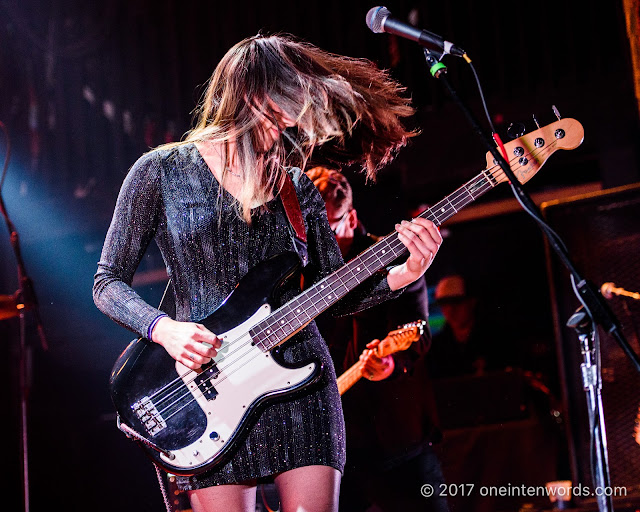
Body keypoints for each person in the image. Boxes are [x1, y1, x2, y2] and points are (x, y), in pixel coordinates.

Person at [93, 33, 443, 512]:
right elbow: (107, 283)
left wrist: (404, 275)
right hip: (207, 383)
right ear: (254, 93)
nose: (299, 111)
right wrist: (165, 330)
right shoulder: (161, 171)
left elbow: (332, 293)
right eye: (289, 95)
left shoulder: (296, 186)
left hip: (301, 386)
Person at [307, 167, 449, 512]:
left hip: (396, 440)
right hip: (331, 451)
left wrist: (390, 363)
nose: (320, 240)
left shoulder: (394, 258)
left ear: (352, 218)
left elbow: (417, 330)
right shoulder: (297, 273)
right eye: (312, 230)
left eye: (331, 227)